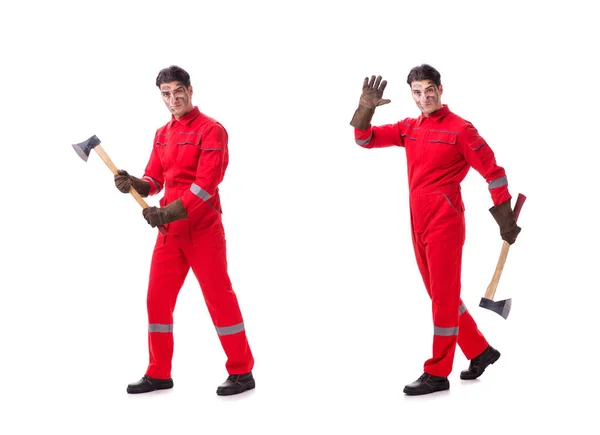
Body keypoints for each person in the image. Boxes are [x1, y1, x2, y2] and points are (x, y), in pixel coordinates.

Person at [349, 64, 521, 396]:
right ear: (410, 94)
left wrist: (505, 216)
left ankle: (438, 372)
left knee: (441, 298)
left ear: (441, 89)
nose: (424, 97)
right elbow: (365, 139)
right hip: (417, 219)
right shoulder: (409, 127)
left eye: (429, 90)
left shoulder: (461, 130)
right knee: (440, 295)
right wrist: (365, 109)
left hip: (445, 220)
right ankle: (481, 351)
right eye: (416, 92)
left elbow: (493, 171)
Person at [114, 65, 255, 396]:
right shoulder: (162, 134)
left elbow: (207, 184)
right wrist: (134, 183)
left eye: (178, 91)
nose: (173, 99)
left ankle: (242, 371)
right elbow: (154, 180)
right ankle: (158, 372)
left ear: (191, 91)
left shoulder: (212, 130)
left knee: (219, 299)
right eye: (166, 94)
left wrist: (169, 210)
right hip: (169, 233)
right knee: (157, 301)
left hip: (203, 229)